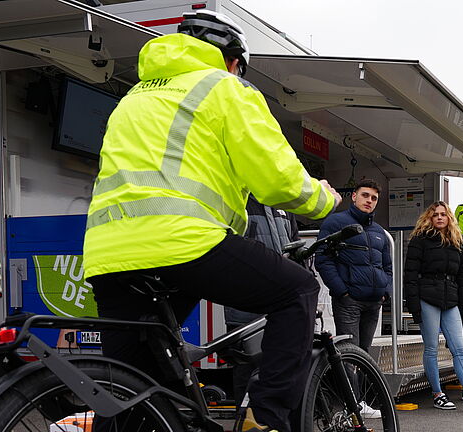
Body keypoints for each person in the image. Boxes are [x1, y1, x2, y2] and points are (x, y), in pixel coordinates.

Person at [83, 11, 341, 432]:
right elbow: (279, 182)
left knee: (131, 392)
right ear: (234, 61)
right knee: (297, 291)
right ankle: (266, 418)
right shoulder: (224, 87)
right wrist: (324, 202)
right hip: (181, 243)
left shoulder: (133, 98)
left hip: (107, 255)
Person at [404, 202, 463, 413]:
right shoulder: (420, 240)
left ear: (449, 217)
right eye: (435, 214)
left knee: (460, 349)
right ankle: (437, 393)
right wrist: (414, 307)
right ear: (429, 217)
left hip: (451, 298)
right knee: (432, 348)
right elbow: (410, 276)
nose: (440, 217)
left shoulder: (457, 242)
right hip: (427, 297)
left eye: (443, 214)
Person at [223, 195, 300, 409]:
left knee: (279, 364)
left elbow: (294, 246)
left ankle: (269, 419)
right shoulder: (237, 200)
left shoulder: (282, 204)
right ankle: (244, 418)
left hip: (280, 298)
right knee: (246, 365)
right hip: (245, 297)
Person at [315, 179, 392, 354]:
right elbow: (323, 259)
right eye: (365, 195)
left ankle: (361, 383)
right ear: (354, 196)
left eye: (374, 198)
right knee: (349, 354)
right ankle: (349, 383)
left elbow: (387, 266)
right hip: (349, 302)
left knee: (364, 354)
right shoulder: (335, 222)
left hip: (374, 302)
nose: (369, 201)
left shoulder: (379, 231)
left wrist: (385, 292)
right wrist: (342, 291)